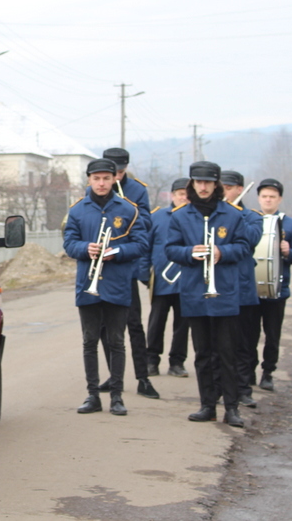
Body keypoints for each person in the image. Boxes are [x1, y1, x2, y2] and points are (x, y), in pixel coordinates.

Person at [165, 162, 251, 427]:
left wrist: (221, 253)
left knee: (227, 351)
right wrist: (190, 252)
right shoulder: (180, 216)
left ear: (216, 185)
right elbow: (170, 249)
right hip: (194, 290)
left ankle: (232, 407)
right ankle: (207, 405)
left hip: (224, 290)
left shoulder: (233, 215)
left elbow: (244, 246)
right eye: (198, 182)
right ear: (192, 184)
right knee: (202, 352)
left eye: (208, 182)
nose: (202, 187)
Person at [64, 158, 149, 416]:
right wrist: (84, 248)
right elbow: (69, 243)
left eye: (106, 178)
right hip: (87, 283)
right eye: (96, 178)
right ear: (89, 180)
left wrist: (118, 251)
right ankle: (92, 396)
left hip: (117, 284)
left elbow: (142, 245)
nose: (101, 183)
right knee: (89, 342)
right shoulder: (77, 210)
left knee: (116, 342)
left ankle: (117, 397)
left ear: (115, 179)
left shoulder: (128, 209)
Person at [101, 148, 159, 399]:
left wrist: (127, 211)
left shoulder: (137, 189)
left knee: (133, 323)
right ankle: (115, 376)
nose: (117, 176)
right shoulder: (96, 186)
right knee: (105, 326)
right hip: (103, 266)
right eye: (114, 172)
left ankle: (143, 378)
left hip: (127, 264)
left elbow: (146, 223)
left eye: (121, 172)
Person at [242, 178, 292, 392]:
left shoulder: (291, 225)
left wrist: (288, 252)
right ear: (258, 198)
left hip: (278, 289)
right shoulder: (248, 219)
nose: (268, 200)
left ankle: (268, 373)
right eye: (264, 196)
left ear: (280, 199)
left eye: (272, 197)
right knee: (249, 333)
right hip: (251, 289)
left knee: (273, 334)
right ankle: (248, 371)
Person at [220, 170, 263, 409]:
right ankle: (219, 388)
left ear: (239, 189)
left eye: (228, 188)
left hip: (243, 288)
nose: (224, 192)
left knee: (245, 342)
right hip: (219, 287)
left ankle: (244, 389)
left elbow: (250, 241)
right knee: (221, 343)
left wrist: (232, 216)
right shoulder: (212, 216)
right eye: (221, 188)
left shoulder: (252, 217)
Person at [144, 178, 191, 377]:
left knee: (183, 324)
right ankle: (151, 361)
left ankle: (177, 362)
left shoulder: (196, 218)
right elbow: (144, 247)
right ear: (173, 195)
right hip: (161, 281)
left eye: (188, 195)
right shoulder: (158, 217)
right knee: (156, 322)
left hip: (187, 281)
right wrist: (145, 275)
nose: (184, 198)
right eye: (180, 194)